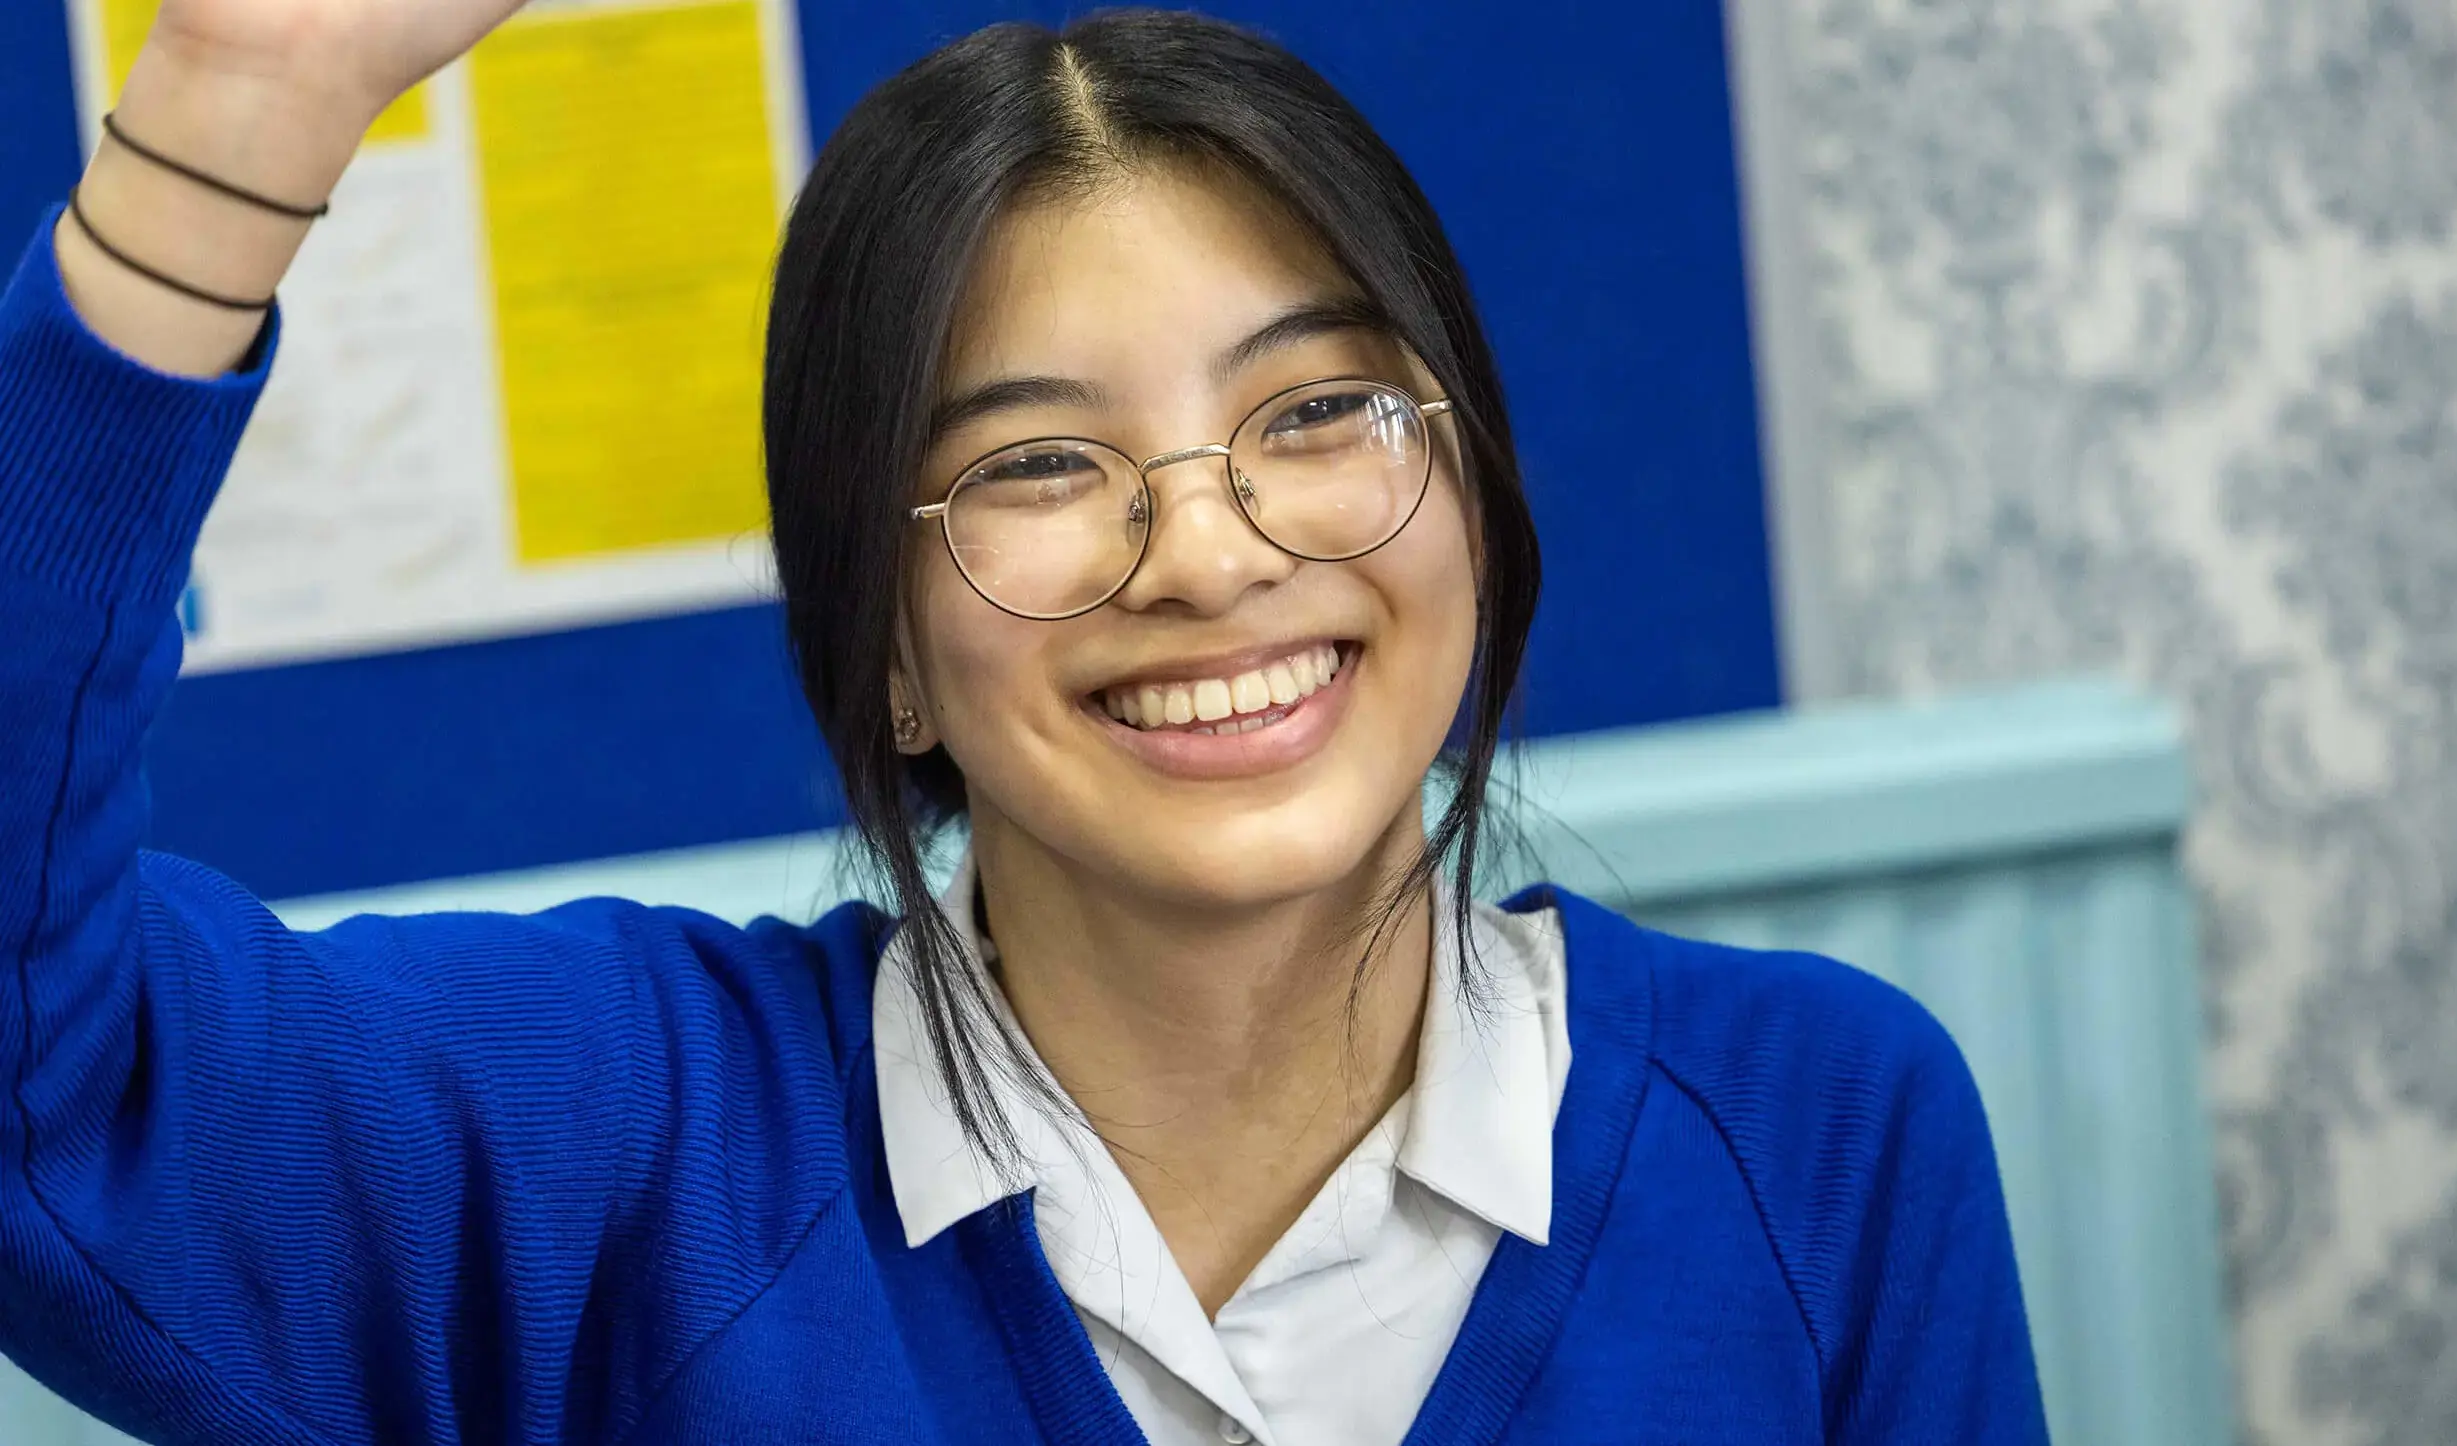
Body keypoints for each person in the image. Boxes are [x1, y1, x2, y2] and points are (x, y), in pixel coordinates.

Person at [0, 2, 2047, 1442]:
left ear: (1474, 494)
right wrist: (233, 116)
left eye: (1316, 412)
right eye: (1037, 468)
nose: (1206, 548)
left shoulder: (1821, 1133)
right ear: (879, 651)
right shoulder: (615, 1154)